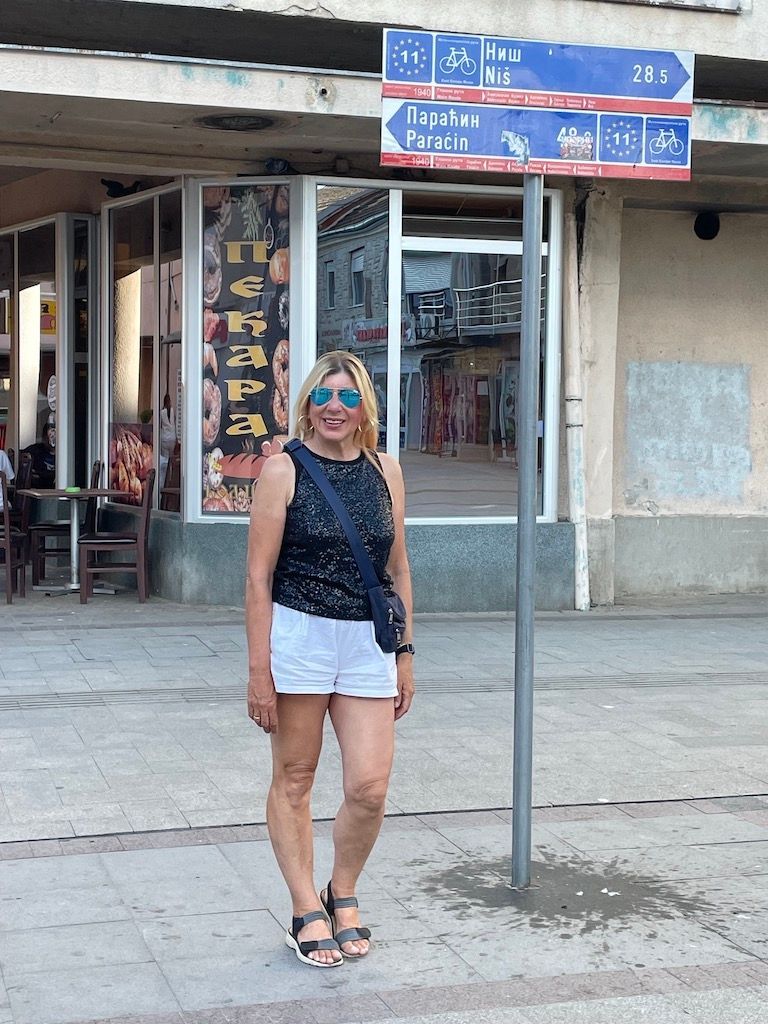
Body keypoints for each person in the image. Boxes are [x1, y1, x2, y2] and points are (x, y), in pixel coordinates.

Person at [245, 350, 415, 968]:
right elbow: (258, 578)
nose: (334, 407)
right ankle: (304, 908)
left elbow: (398, 569)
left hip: (368, 640)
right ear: (307, 404)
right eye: (322, 395)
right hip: (300, 636)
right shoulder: (281, 471)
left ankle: (341, 890)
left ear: (365, 406)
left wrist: (405, 654)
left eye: (347, 396)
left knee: (369, 787)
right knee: (295, 777)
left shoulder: (386, 470)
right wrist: (259, 672)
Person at [24, 421, 55, 488]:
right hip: (37, 490)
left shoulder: (67, 455)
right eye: (50, 434)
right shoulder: (34, 451)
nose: (53, 437)